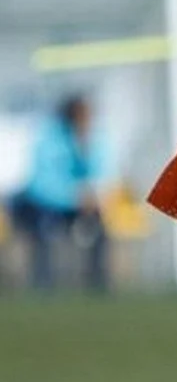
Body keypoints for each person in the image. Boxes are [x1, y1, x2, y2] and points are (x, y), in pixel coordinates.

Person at [9, 93, 111, 293]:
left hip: (79, 206)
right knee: (44, 228)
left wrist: (90, 194)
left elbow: (102, 174)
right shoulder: (49, 139)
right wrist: (74, 198)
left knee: (99, 227)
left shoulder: (95, 139)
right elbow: (41, 186)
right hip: (44, 205)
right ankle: (43, 285)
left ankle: (97, 284)